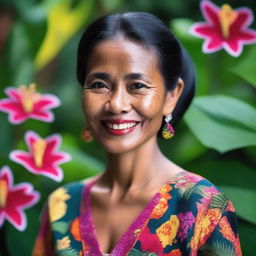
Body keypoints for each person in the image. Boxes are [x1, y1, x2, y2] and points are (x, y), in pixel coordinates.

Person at [32, 12, 242, 256]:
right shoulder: (62, 205)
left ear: (171, 96)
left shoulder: (203, 205)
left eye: (138, 86)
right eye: (99, 85)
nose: (116, 104)